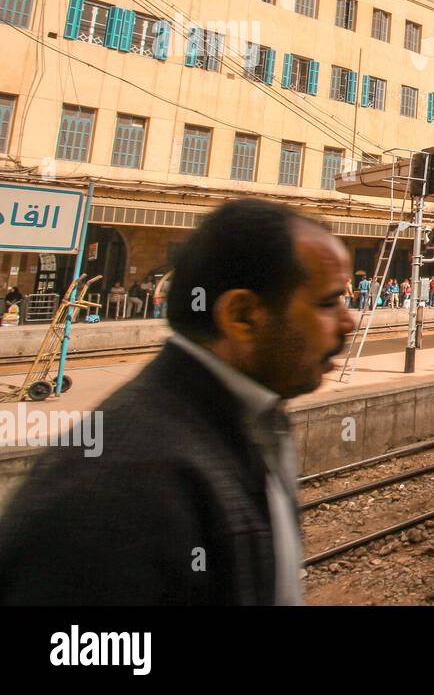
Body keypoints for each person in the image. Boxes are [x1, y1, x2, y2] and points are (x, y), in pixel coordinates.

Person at [0, 200, 356, 604]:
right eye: (328, 302)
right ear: (242, 317)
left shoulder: (251, 417)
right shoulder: (120, 489)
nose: (350, 321)